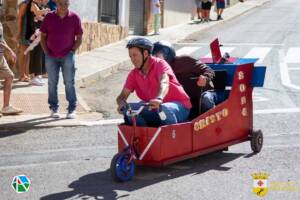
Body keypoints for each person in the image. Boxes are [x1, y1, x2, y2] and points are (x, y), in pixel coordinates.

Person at [116, 38, 191, 127]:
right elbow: (122, 96)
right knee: (129, 110)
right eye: (130, 56)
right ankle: (142, 136)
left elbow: (164, 82)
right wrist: (121, 104)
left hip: (179, 106)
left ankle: (170, 137)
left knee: (165, 108)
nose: (132, 59)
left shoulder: (160, 64)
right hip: (155, 108)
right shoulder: (133, 74)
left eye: (135, 55)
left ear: (145, 53)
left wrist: (159, 98)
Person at [40, 0, 83, 119]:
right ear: (56, 4)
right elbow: (43, 36)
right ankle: (54, 108)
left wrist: (72, 51)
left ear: (69, 4)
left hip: (67, 56)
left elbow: (79, 37)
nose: (63, 6)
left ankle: (72, 109)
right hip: (51, 56)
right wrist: (46, 52)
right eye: (60, 4)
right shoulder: (49, 17)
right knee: (52, 83)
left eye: (66, 4)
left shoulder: (75, 17)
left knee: (69, 82)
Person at [152, 41, 216, 118]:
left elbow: (208, 70)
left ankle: (214, 122)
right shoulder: (156, 69)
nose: (155, 58)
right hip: (184, 101)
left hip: (202, 93)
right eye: (153, 55)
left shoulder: (184, 60)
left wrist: (205, 78)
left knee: (206, 99)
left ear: (167, 54)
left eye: (158, 54)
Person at [0, 22, 23, 116]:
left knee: (9, 76)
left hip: (1, 57)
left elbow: (1, 39)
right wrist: (9, 50)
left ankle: (6, 107)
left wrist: (8, 49)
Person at [15, 0, 31, 82]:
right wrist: (18, 32)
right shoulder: (25, 4)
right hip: (24, 31)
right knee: (23, 52)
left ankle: (26, 74)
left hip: (30, 31)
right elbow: (19, 18)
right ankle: (21, 75)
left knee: (27, 53)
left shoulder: (33, 3)